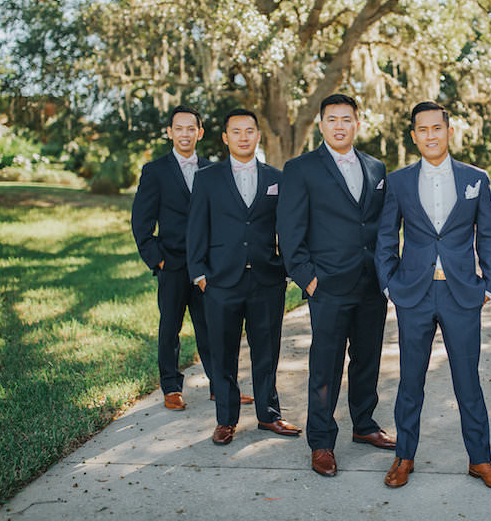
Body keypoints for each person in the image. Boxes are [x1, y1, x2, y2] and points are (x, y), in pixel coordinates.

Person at [376, 101, 491, 491]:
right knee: (410, 380)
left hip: (461, 294)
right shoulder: (399, 181)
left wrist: (488, 284)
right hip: (414, 294)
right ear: (414, 135)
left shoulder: (476, 177)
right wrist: (389, 282)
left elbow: (488, 233)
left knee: (468, 380)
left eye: (438, 128)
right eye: (423, 129)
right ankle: (404, 456)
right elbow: (386, 235)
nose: (431, 135)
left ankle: (481, 460)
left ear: (449, 132)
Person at [277, 94, 394, 478]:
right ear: (322, 124)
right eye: (332, 119)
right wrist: (307, 279)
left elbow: (381, 225)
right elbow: (290, 232)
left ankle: (364, 424)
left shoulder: (376, 167)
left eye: (347, 119)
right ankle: (322, 441)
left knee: (368, 359)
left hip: (371, 284)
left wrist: (387, 270)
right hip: (326, 285)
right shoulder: (300, 169)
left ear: (357, 123)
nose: (339, 125)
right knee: (325, 366)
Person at [186, 108, 301, 445]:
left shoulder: (277, 178)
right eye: (235, 132)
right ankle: (226, 419)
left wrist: (286, 268)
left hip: (267, 280)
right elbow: (196, 229)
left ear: (258, 135)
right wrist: (199, 275)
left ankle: (269, 415)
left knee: (267, 351)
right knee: (223, 353)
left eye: (249, 131)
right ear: (225, 137)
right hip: (221, 281)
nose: (243, 137)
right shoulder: (206, 178)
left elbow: (290, 227)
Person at [131, 105, 224, 410]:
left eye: (190, 128)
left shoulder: (214, 170)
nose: (185, 134)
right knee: (170, 326)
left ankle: (219, 385)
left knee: (211, 326)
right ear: (169, 133)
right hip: (171, 263)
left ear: (200, 133)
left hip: (206, 266)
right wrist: (157, 260)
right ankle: (171, 387)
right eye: (178, 128)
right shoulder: (154, 171)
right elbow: (141, 222)